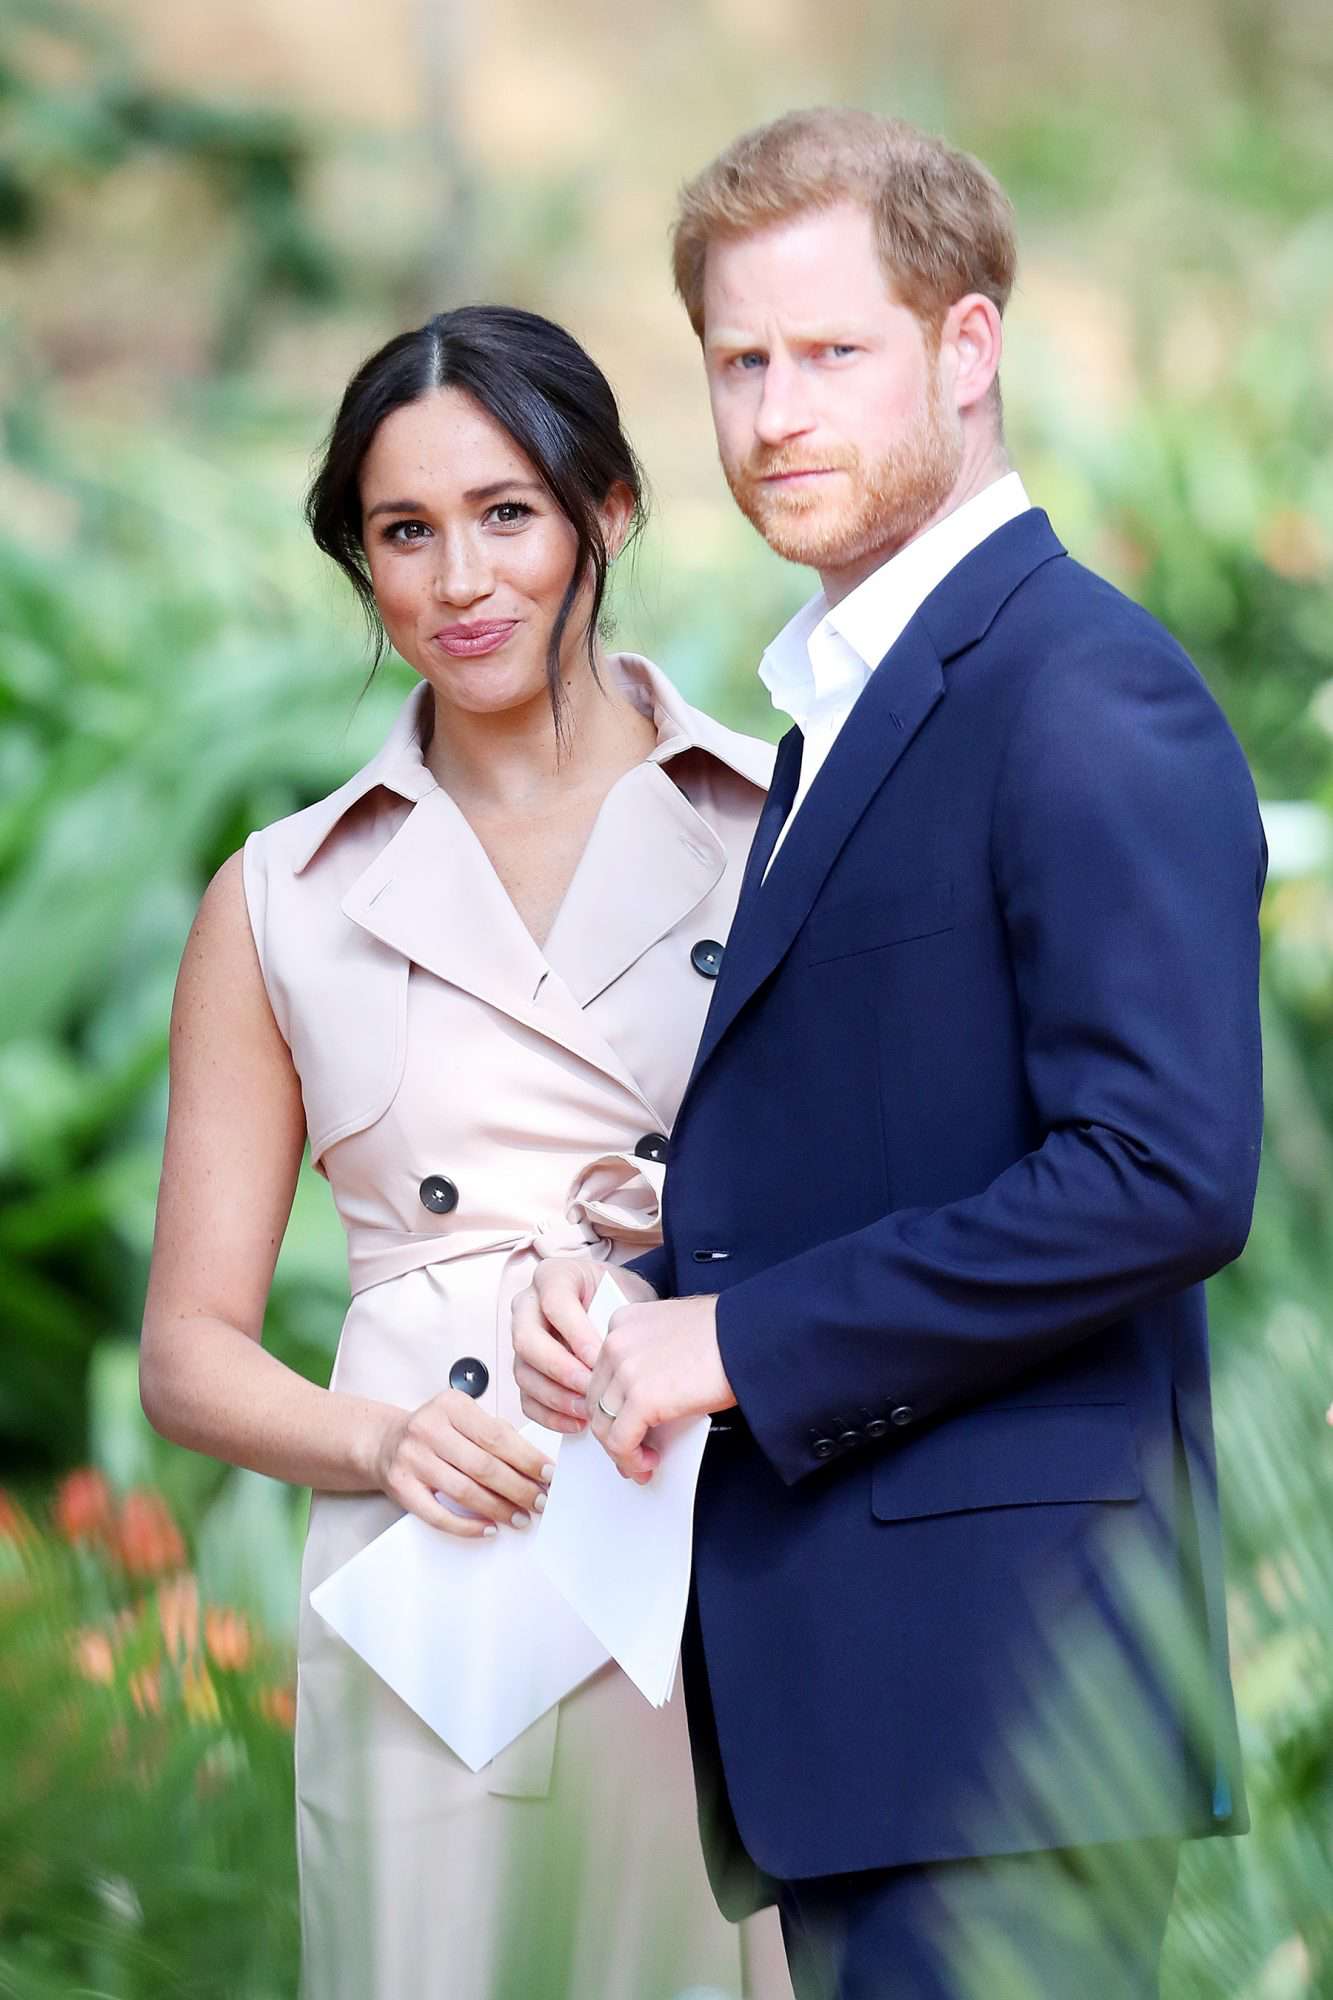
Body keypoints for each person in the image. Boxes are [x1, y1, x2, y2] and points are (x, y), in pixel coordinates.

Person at [514, 109, 1266, 1999]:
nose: (773, 412)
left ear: (966, 350)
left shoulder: (1081, 693)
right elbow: (882, 1138)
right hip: (876, 1716)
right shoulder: (836, 712)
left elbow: (1162, 1172)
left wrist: (736, 1345)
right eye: (737, 362)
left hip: (1005, 1718)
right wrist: (634, 1293)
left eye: (830, 353)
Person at [140, 304, 792, 2000]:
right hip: (438, 1586)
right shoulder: (283, 894)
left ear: (610, 512)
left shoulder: (774, 829)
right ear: (359, 562)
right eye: (401, 532)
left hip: (714, 1536)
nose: (458, 579)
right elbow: (188, 1356)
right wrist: (384, 1441)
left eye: (506, 513)